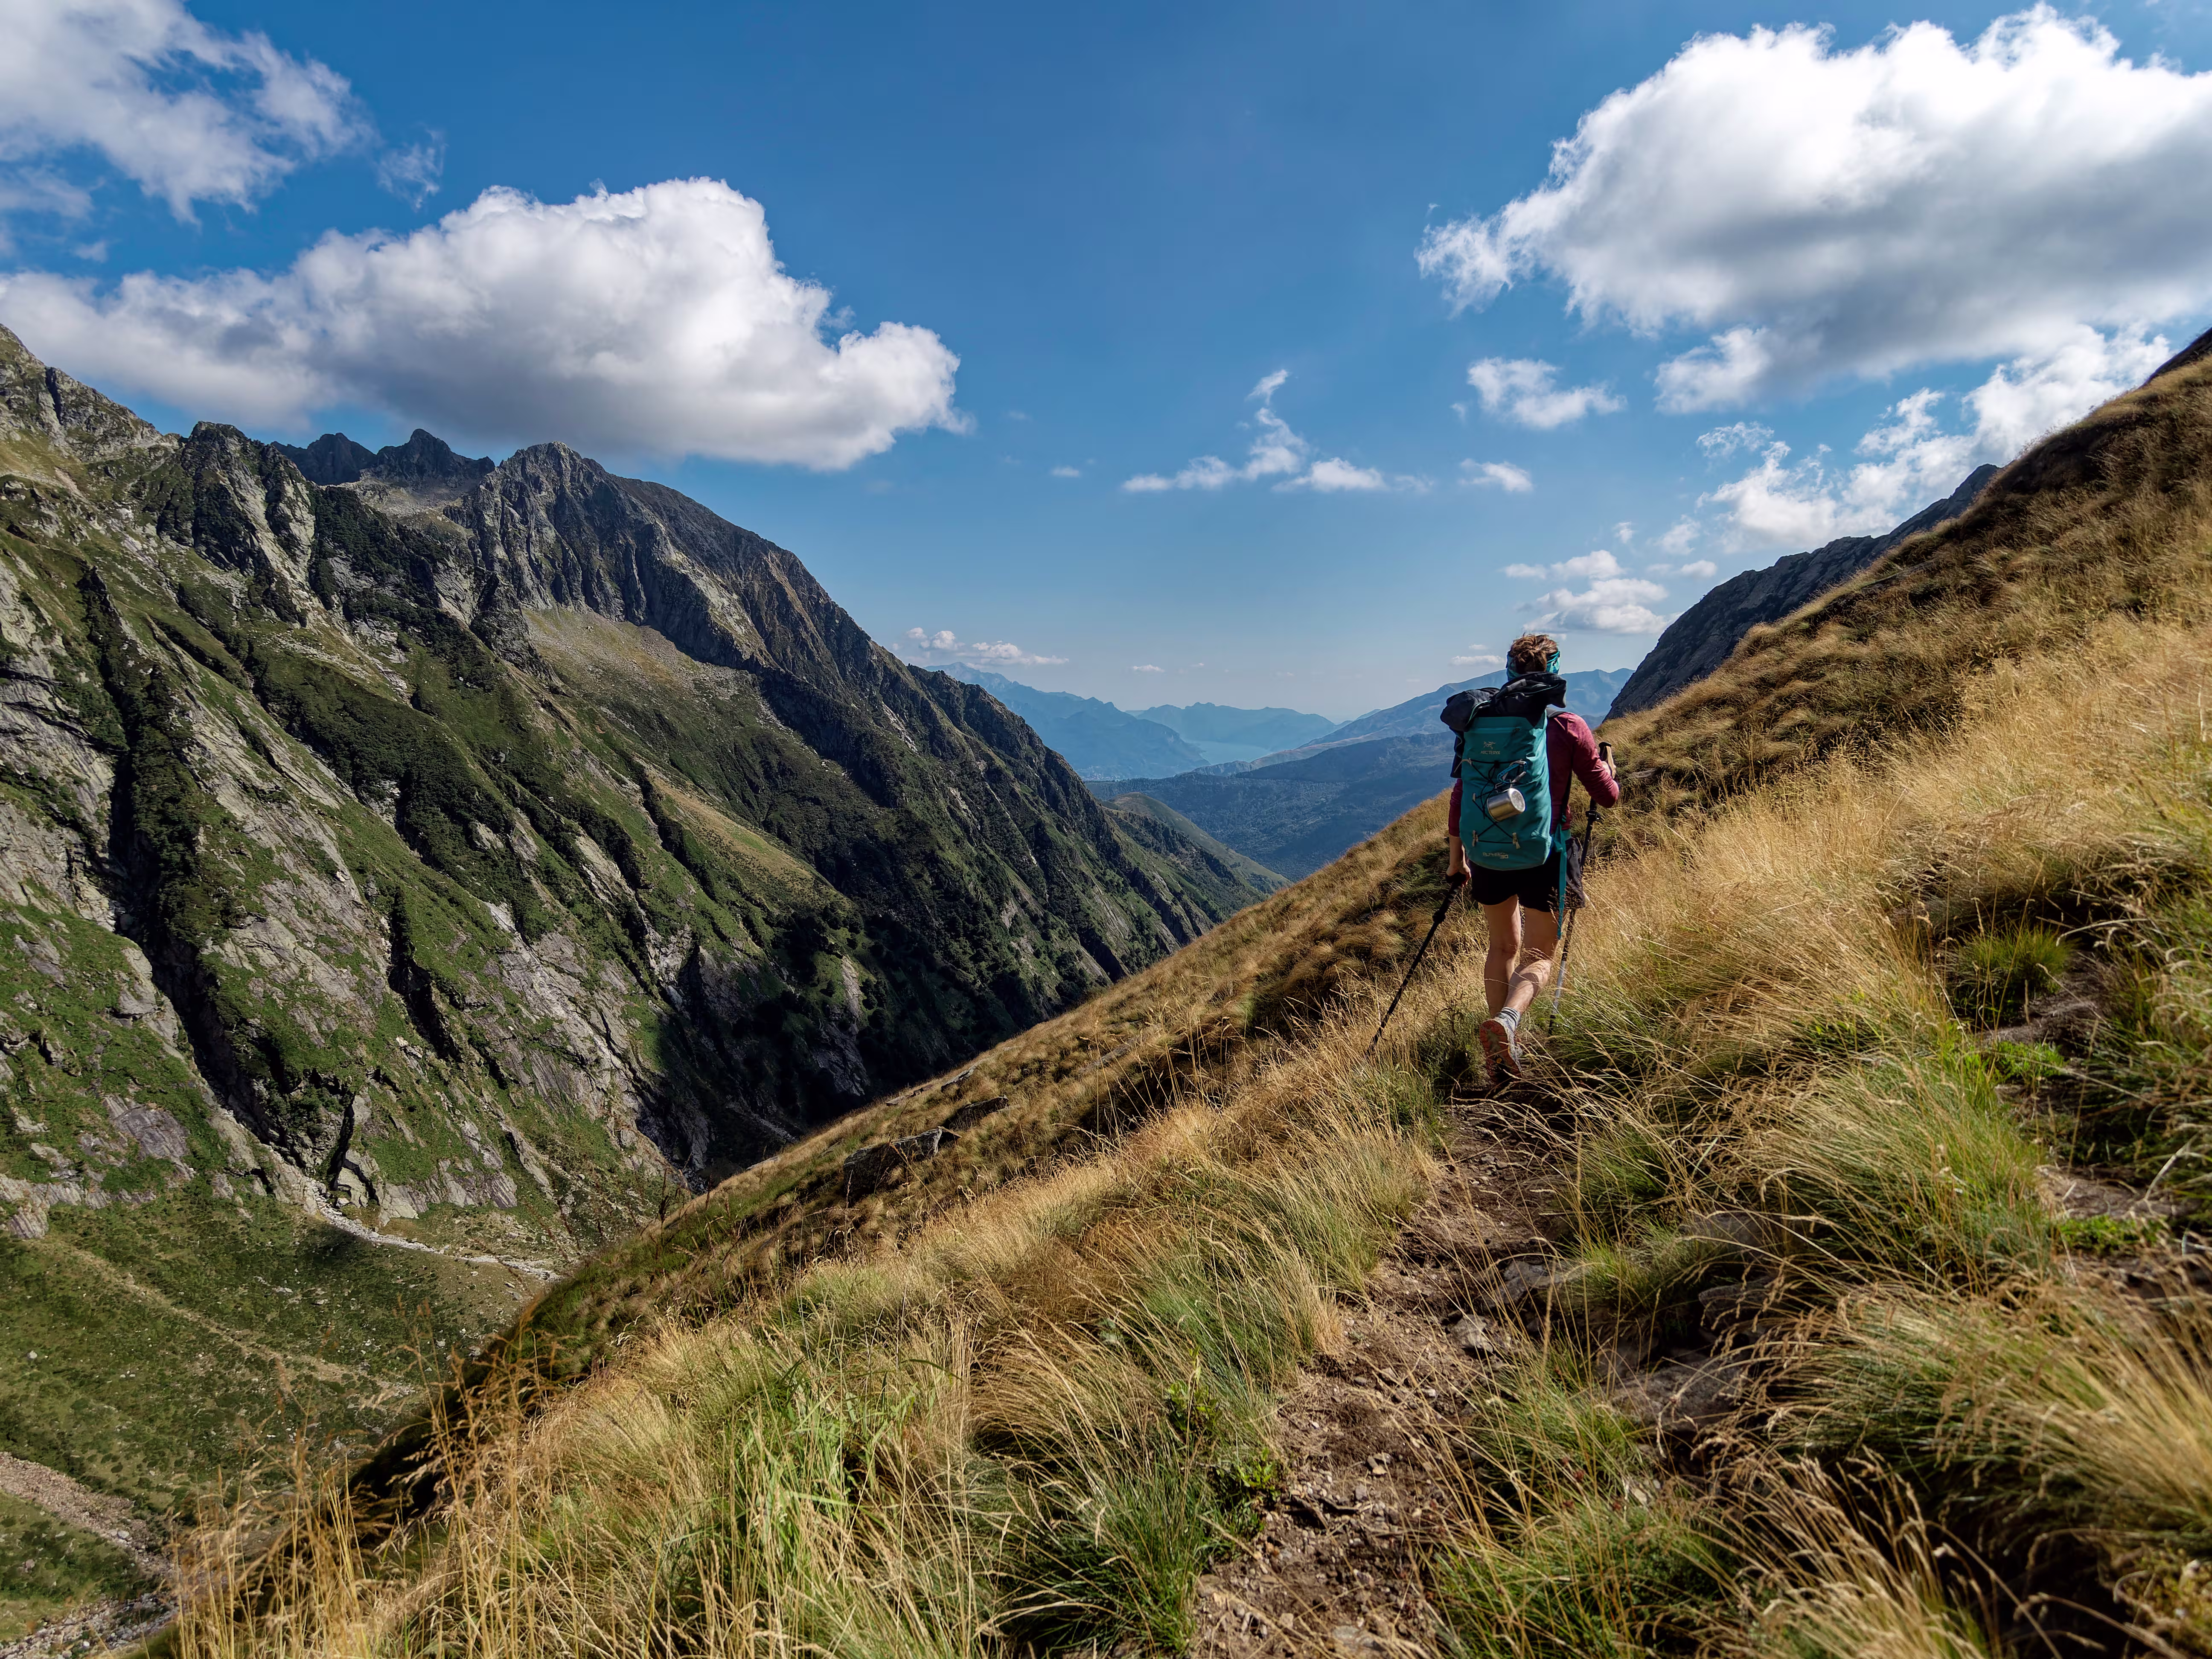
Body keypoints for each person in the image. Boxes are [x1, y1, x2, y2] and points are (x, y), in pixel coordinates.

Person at [1444, 632, 1619, 1082]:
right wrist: (1609, 770)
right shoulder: (1567, 727)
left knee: (1502, 946)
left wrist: (1455, 858)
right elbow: (1608, 796)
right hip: (1545, 852)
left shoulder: (1480, 726)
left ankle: (1499, 1054)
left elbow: (1462, 794)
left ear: (1509, 673)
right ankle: (1507, 1023)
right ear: (1554, 674)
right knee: (1540, 953)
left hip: (1487, 850)